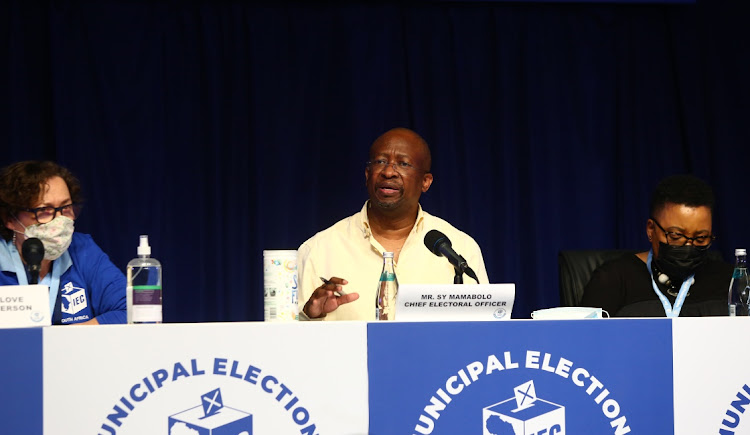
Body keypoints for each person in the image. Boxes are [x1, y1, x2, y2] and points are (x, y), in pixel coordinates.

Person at [297, 127, 489, 321]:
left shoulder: (460, 248)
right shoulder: (319, 250)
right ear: (367, 175)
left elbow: (485, 335)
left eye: (403, 164)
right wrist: (310, 316)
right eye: (380, 162)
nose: (388, 172)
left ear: (425, 181)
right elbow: (287, 341)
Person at [580, 174, 732, 317]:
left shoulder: (730, 281)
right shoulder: (613, 280)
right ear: (651, 229)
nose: (688, 246)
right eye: (676, 236)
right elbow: (585, 340)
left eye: (701, 238)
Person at [0, 161, 126, 324]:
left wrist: (65, 340)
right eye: (44, 210)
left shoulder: (82, 249)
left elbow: (132, 311)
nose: (60, 220)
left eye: (66, 207)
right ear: (10, 218)